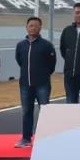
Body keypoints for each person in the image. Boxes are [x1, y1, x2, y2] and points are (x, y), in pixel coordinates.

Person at [14, 16, 57, 148]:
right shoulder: (21, 45)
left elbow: (52, 64)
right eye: (31, 25)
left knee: (44, 111)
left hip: (42, 84)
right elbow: (19, 61)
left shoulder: (47, 45)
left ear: (40, 28)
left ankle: (47, 137)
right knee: (27, 111)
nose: (33, 28)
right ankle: (26, 138)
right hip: (25, 85)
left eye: (36, 26)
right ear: (27, 27)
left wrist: (42, 75)